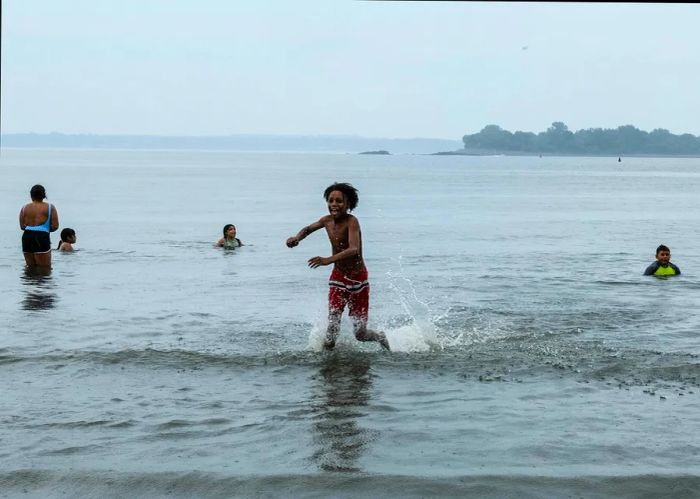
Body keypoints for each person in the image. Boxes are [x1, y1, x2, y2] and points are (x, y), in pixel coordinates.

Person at [286, 182, 389, 351]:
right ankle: (328, 363)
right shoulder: (326, 221)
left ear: (348, 204)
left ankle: (380, 336)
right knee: (332, 324)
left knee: (360, 334)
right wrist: (296, 238)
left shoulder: (352, 221)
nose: (334, 204)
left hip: (358, 279)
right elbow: (307, 229)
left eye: (339, 201)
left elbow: (353, 249)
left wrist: (328, 259)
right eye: (331, 200)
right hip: (338, 277)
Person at [19, 184, 59, 268]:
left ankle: (28, 281)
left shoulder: (24, 208)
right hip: (41, 237)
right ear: (44, 195)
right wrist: (43, 229)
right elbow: (55, 226)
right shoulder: (50, 207)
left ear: (31, 195)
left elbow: (22, 226)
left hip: (27, 237)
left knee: (30, 267)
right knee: (45, 268)